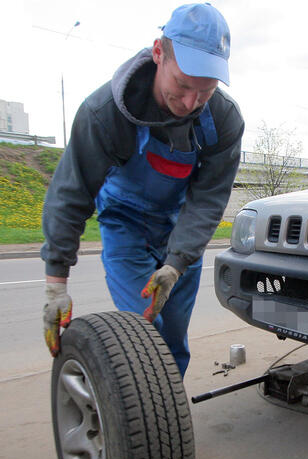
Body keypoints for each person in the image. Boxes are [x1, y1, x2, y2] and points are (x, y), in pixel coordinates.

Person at [41, 3, 244, 375]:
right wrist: (56, 285)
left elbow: (208, 199)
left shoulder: (224, 120)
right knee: (144, 333)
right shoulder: (104, 114)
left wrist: (177, 262)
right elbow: (71, 195)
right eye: (182, 85)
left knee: (174, 344)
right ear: (157, 54)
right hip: (126, 226)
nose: (189, 103)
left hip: (180, 229)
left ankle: (164, 425)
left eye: (205, 91)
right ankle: (139, 417)